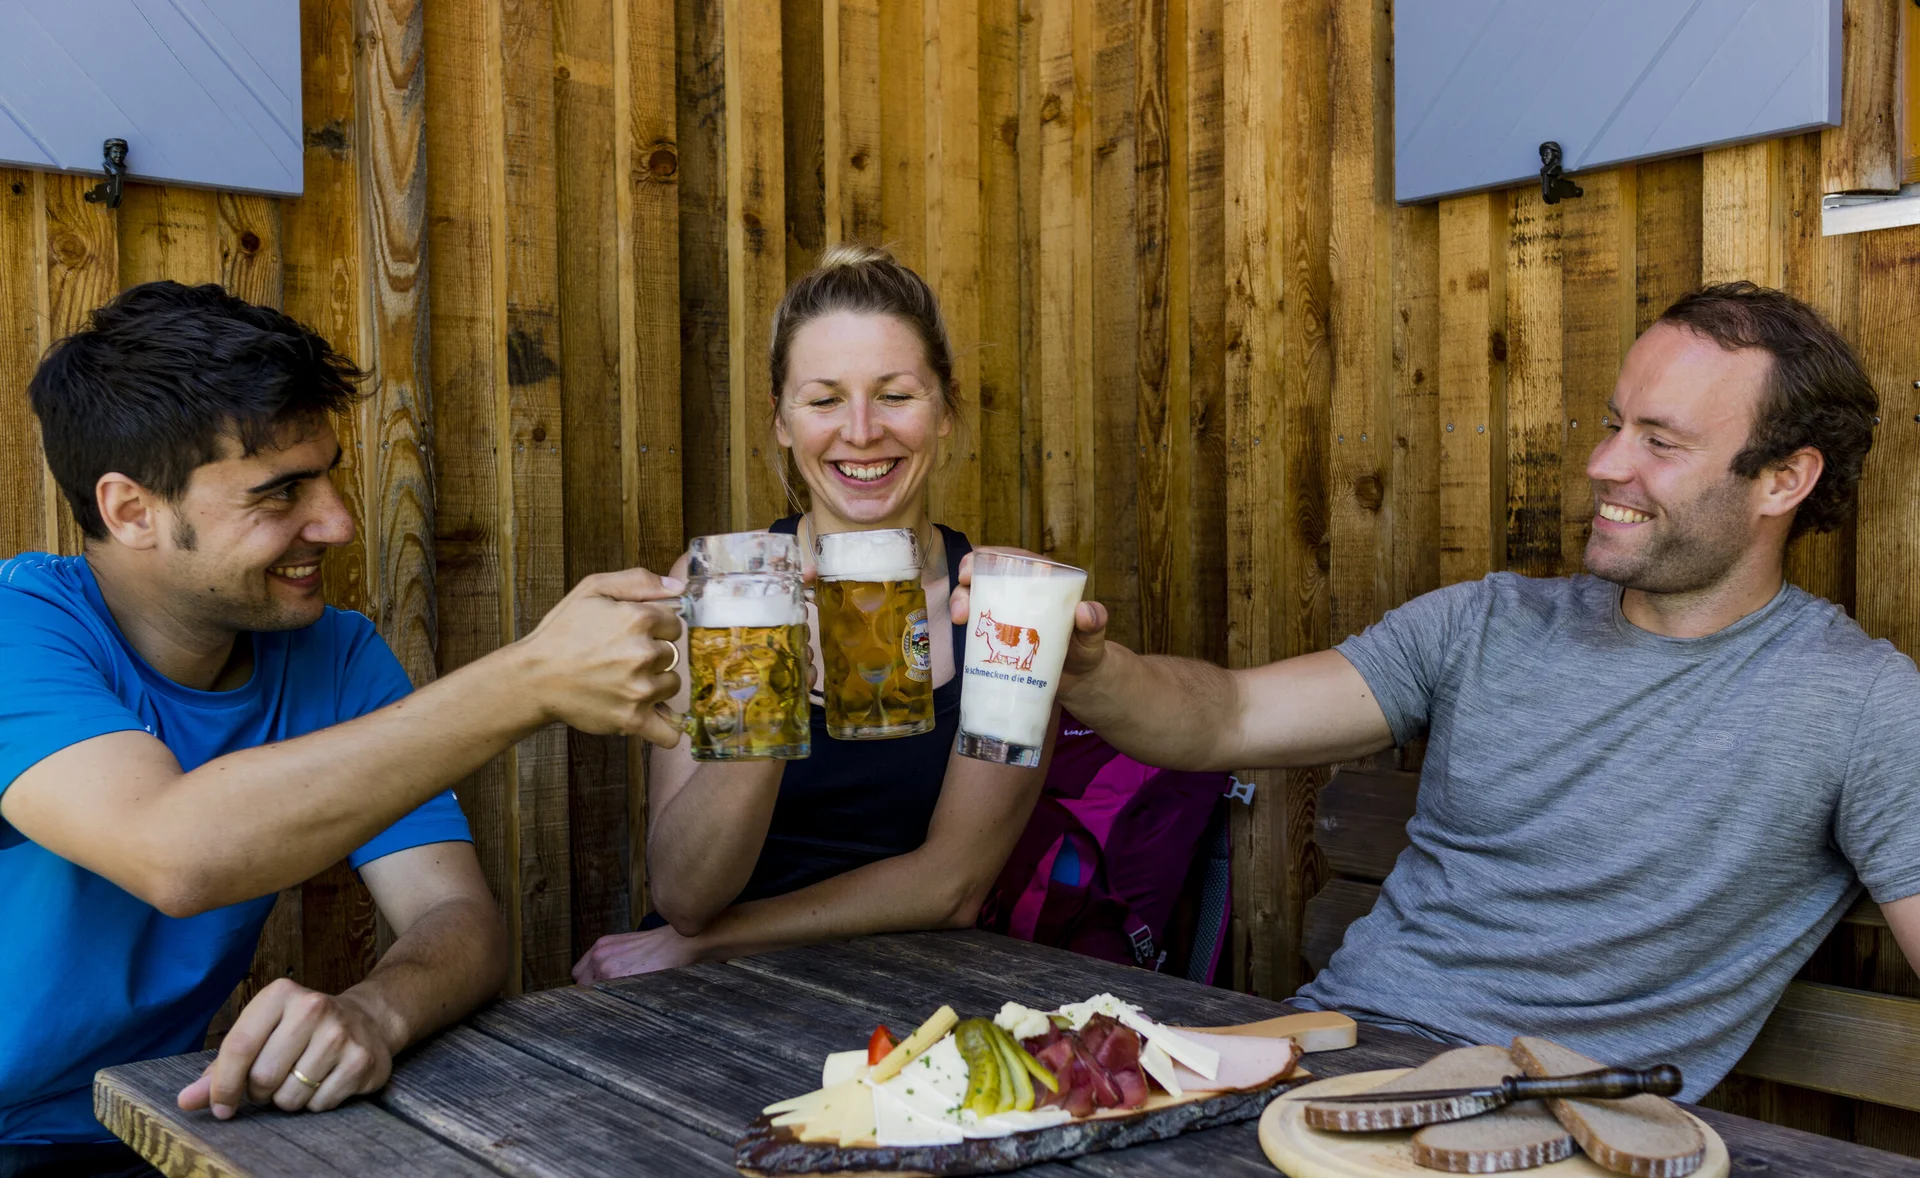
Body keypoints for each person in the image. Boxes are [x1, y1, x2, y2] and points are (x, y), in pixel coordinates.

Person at [970, 282, 1920, 1099]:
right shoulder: (1486, 623)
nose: (1603, 466)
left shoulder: (1859, 703)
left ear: (1785, 480)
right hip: (1324, 1058)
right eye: (1611, 423)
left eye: (1659, 442)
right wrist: (1090, 666)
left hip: (1550, 1119)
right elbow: (1228, 717)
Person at [0, 282, 684, 1175]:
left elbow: (456, 916)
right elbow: (174, 851)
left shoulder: (337, 651)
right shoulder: (20, 629)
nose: (338, 522)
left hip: (147, 1124)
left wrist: (377, 1010)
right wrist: (531, 680)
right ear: (133, 511)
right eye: (280, 493)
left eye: (330, 475)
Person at [572, 245, 1048, 981]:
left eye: (895, 395)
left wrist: (710, 942)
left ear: (946, 410)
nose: (860, 431)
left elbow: (954, 886)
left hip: (914, 984)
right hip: (706, 991)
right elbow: (685, 892)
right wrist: (772, 668)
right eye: (824, 400)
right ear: (784, 423)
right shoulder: (719, 590)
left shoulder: (1002, 605)